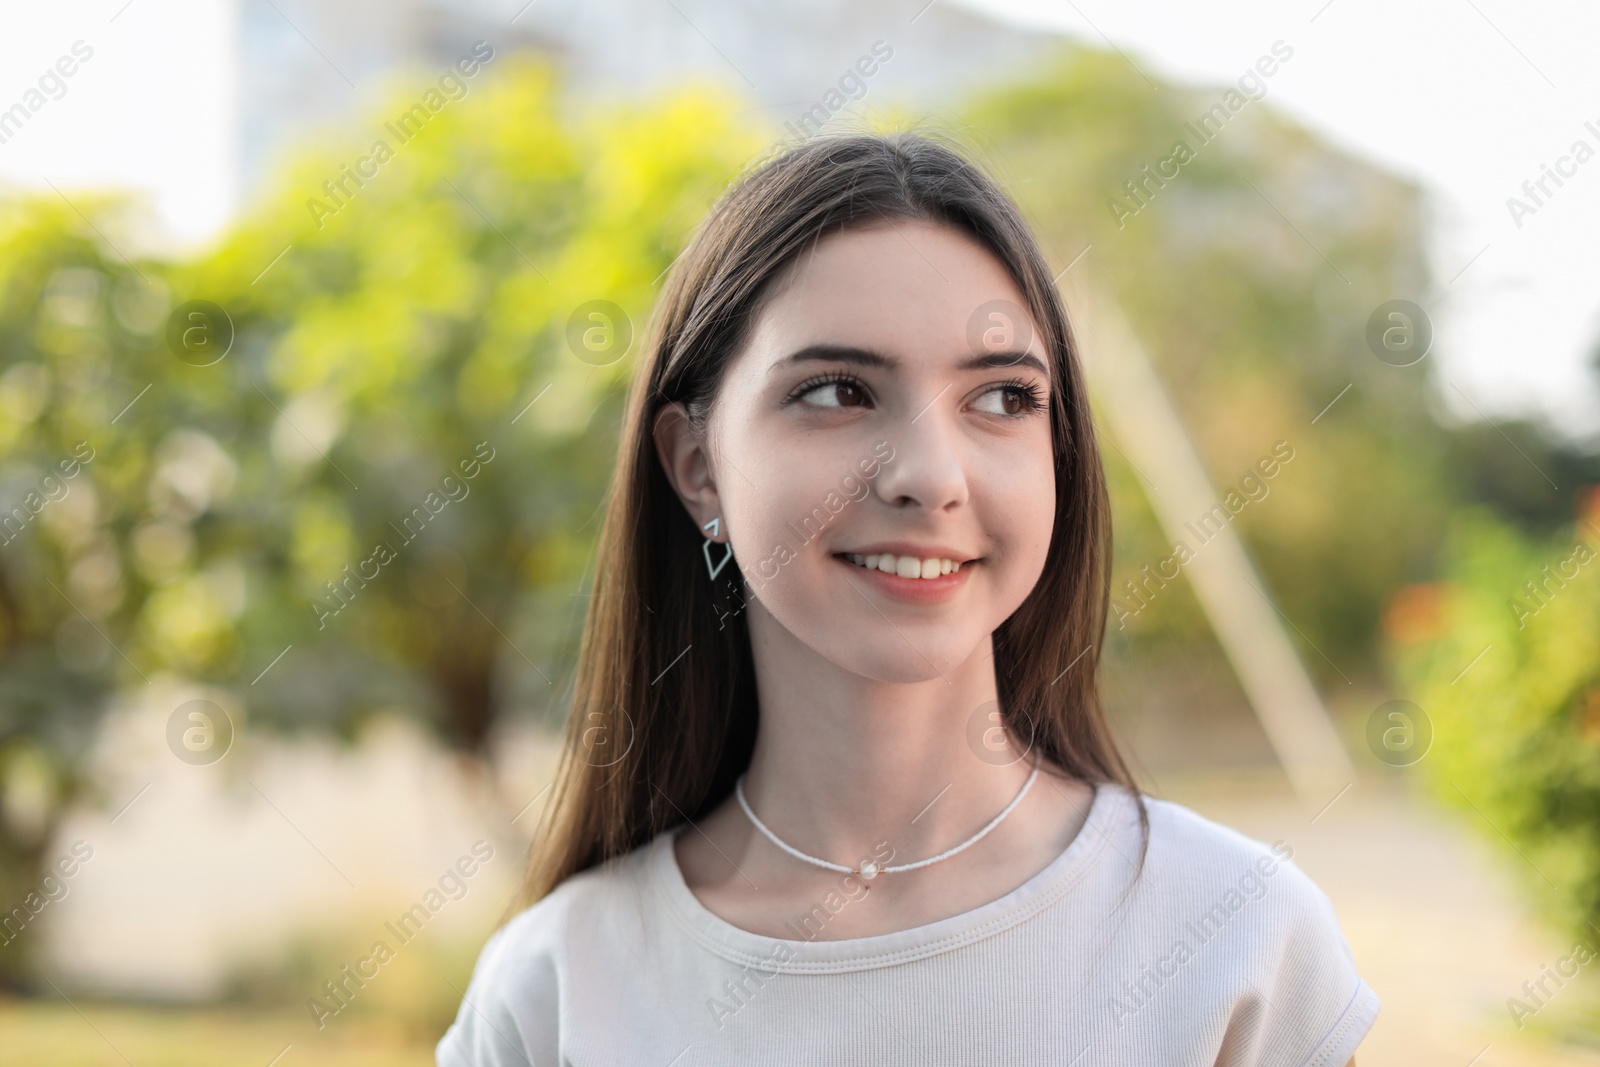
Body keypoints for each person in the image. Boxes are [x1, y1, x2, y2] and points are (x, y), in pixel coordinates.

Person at [436, 131, 1378, 1065]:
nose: (931, 477)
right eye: (839, 390)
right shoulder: (556, 992)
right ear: (698, 468)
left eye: (1004, 398)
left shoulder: (1240, 941)